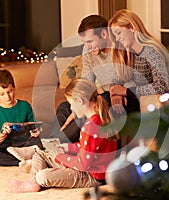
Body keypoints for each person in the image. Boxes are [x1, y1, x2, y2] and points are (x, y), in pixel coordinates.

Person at [8, 78, 118, 193]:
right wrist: (67, 147)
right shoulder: (101, 117)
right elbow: (88, 148)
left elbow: (82, 165)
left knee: (42, 176)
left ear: (80, 101)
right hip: (89, 166)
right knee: (40, 153)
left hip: (91, 175)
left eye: (71, 104)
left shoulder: (90, 126)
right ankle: (32, 182)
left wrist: (60, 156)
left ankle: (35, 179)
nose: (71, 108)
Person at [56, 14, 139, 144]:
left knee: (95, 104)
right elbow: (86, 82)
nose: (87, 46)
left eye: (90, 41)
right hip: (105, 97)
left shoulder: (121, 46)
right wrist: (75, 107)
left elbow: (133, 80)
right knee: (65, 107)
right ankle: (71, 145)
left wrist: (118, 91)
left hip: (124, 98)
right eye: (84, 42)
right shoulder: (88, 51)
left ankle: (55, 143)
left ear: (104, 34)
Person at [108, 9, 169, 100]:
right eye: (115, 35)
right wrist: (115, 96)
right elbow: (116, 79)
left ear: (131, 28)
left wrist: (126, 91)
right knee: (107, 99)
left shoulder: (152, 51)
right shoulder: (129, 53)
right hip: (149, 99)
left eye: (118, 33)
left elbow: (161, 87)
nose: (117, 39)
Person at [0, 69, 42, 168]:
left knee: (42, 143)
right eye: (2, 94)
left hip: (24, 143)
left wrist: (37, 131)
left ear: (14, 88)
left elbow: (33, 124)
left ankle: (24, 157)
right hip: (6, 146)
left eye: (10, 92)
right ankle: (24, 161)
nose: (7, 97)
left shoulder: (25, 106)